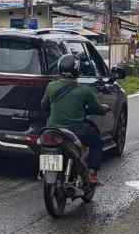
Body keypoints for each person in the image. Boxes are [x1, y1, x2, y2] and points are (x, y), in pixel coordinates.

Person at [41, 53, 107, 184]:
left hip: (53, 129)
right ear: (77, 70)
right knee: (97, 143)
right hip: (76, 130)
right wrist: (105, 109)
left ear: (59, 69)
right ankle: (92, 173)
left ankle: (45, 172)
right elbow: (97, 109)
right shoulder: (84, 91)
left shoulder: (51, 86)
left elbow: (44, 106)